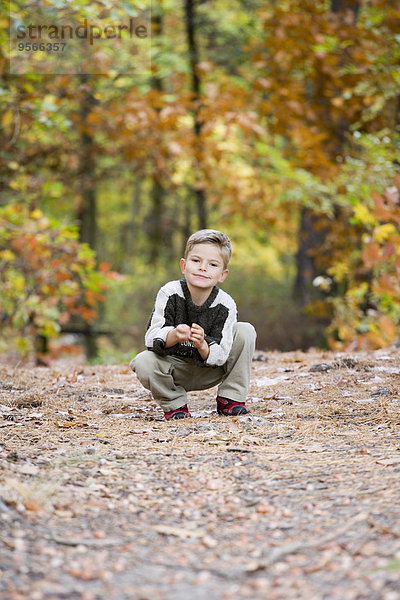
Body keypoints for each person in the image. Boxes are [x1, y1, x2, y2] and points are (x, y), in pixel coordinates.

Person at [130, 229, 256, 420]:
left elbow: (222, 353)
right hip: (174, 368)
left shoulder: (225, 304)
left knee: (245, 330)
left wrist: (204, 346)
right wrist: (173, 335)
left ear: (222, 275)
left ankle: (231, 398)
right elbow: (151, 336)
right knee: (142, 361)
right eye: (196, 261)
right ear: (183, 265)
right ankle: (175, 404)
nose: (203, 268)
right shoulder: (169, 293)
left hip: (210, 369)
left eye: (213, 264)